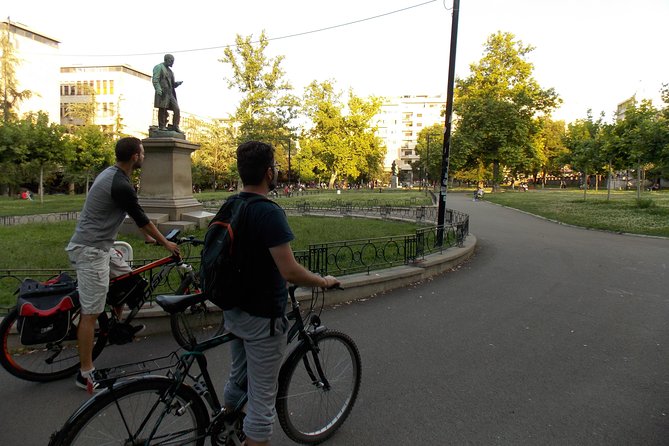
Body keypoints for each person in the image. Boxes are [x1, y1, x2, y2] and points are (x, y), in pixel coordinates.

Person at [222, 141, 339, 446]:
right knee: (262, 402)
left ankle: (225, 423)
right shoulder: (268, 212)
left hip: (233, 310)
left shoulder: (231, 205)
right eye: (274, 166)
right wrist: (322, 281)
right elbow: (290, 271)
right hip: (262, 317)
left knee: (238, 376)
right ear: (268, 173)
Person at [66, 137, 179, 393]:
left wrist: (146, 237)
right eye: (142, 153)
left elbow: (127, 213)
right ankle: (84, 373)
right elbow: (142, 218)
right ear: (135, 157)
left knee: (127, 281)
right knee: (90, 313)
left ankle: (116, 327)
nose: (144, 157)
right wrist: (165, 244)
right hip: (91, 250)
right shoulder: (120, 183)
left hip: (102, 247)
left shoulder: (114, 174)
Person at [152, 54, 183, 132]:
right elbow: (155, 80)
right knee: (162, 109)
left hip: (170, 93)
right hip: (163, 92)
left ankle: (175, 126)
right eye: (171, 61)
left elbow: (172, 84)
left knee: (177, 109)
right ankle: (162, 126)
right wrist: (158, 89)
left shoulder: (170, 71)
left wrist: (177, 84)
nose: (172, 63)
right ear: (167, 59)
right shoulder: (159, 67)